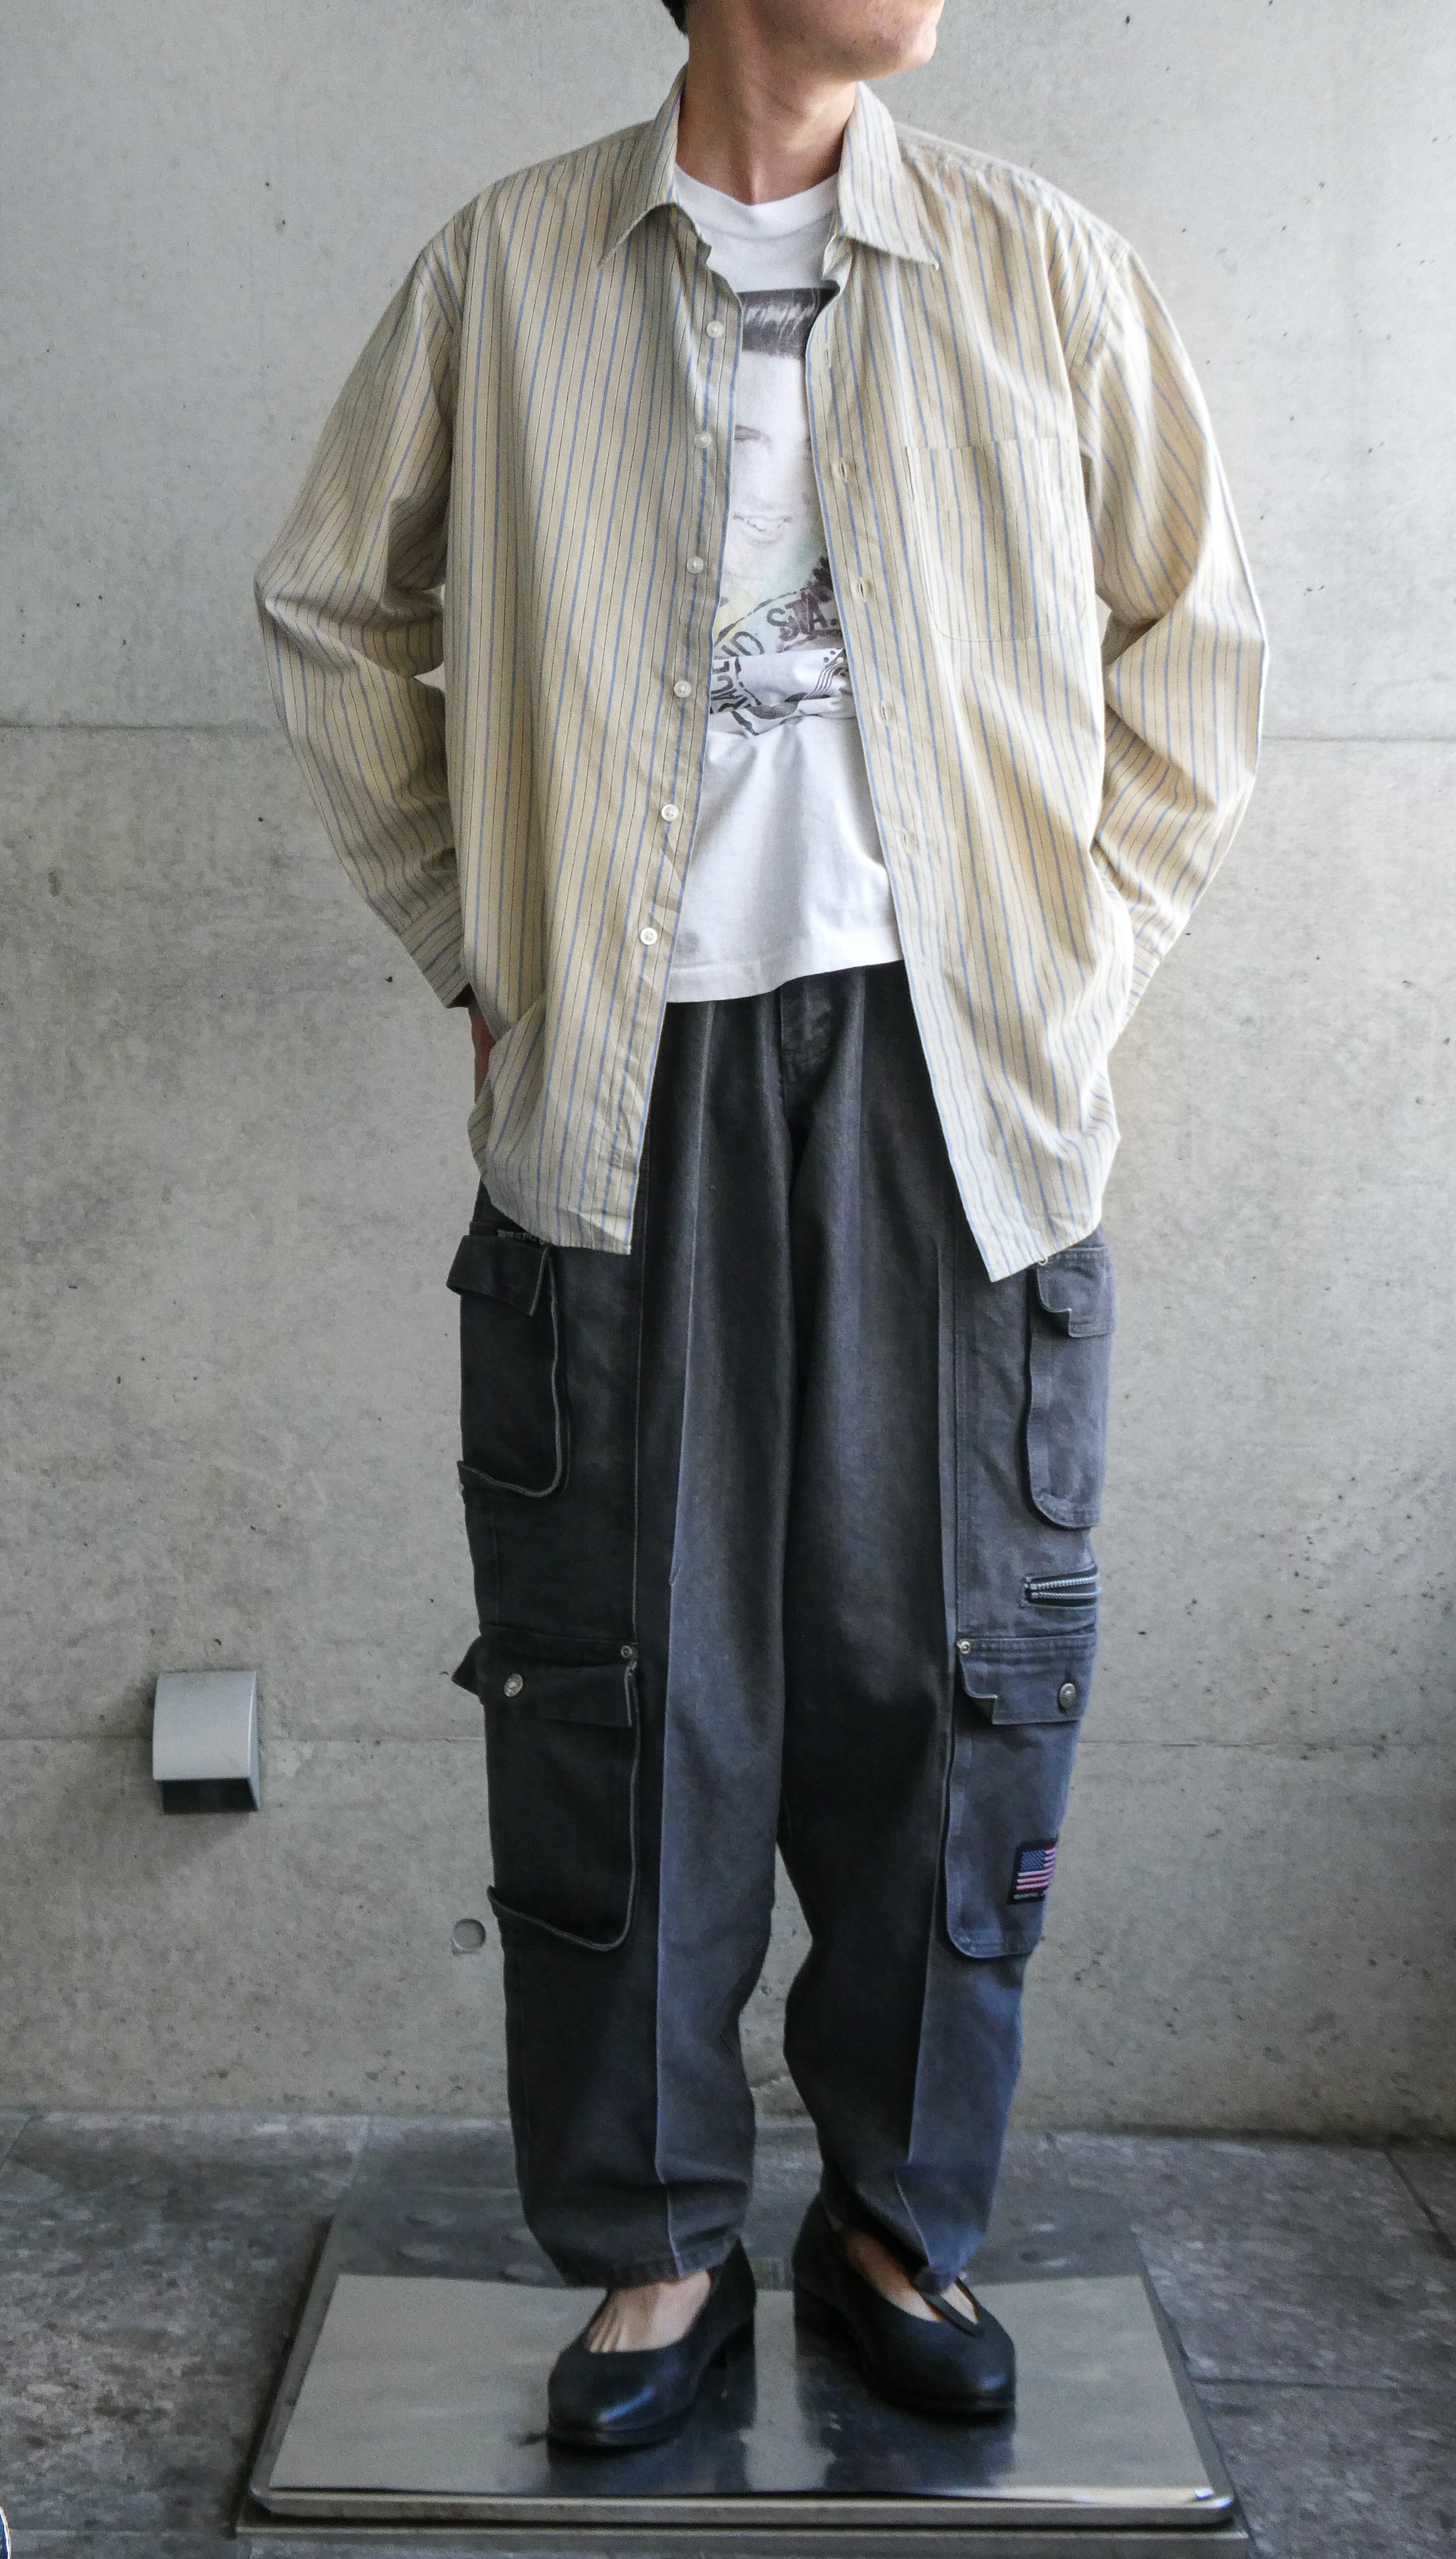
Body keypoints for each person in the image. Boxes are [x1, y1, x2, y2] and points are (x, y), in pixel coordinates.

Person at [256, 0, 1266, 2454]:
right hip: (632, 1080)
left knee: (946, 1672)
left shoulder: (1041, 268)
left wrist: (1069, 970)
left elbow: (1198, 651)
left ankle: (900, 2217)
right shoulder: (509, 270)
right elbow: (329, 608)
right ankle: (656, 2247)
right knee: (631, 1678)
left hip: (956, 1094)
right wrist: (477, 942)